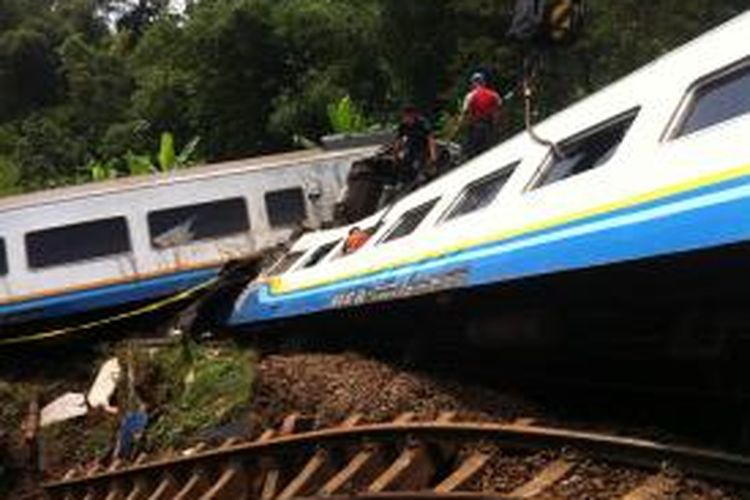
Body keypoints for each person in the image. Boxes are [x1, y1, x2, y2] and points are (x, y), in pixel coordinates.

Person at [458, 72, 503, 160]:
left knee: (474, 154)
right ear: (484, 82)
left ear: (473, 83)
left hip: (475, 128)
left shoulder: (470, 96)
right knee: (490, 152)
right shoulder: (494, 95)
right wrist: (498, 126)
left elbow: (465, 114)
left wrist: (461, 126)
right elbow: (499, 111)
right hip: (490, 127)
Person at [394, 104, 438, 186]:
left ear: (412, 115)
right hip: (410, 147)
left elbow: (430, 139)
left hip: (422, 148)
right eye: (404, 116)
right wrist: (396, 154)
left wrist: (433, 156)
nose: (405, 118)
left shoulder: (422, 123)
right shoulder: (403, 125)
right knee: (404, 163)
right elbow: (398, 139)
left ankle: (421, 180)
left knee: (417, 165)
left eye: (407, 116)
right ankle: (403, 182)